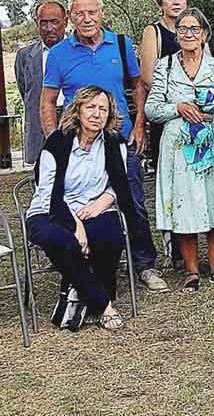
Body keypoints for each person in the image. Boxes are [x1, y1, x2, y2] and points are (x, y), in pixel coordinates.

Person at [40, 0, 168, 293]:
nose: (86, 19)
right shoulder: (58, 55)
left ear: (102, 12)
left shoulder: (121, 45)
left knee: (133, 202)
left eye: (92, 12)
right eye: (79, 13)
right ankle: (86, 262)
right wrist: (55, 143)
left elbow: (138, 86)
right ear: (70, 17)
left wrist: (139, 125)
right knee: (78, 204)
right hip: (78, 145)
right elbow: (47, 102)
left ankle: (145, 265)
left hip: (120, 141)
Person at [144, 8, 214, 291]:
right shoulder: (165, 67)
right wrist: (178, 108)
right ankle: (190, 270)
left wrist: (208, 117)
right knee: (185, 204)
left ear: (204, 34)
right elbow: (152, 108)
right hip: (179, 148)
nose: (188, 34)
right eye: (183, 29)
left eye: (194, 29)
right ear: (176, 35)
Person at [26, 86, 137, 331]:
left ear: (109, 115)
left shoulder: (113, 143)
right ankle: (103, 305)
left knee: (110, 235)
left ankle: (75, 291)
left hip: (91, 206)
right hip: (49, 210)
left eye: (103, 109)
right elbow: (51, 195)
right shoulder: (57, 142)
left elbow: (119, 185)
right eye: (91, 107)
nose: (97, 114)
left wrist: (104, 201)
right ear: (77, 111)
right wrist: (76, 226)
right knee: (65, 241)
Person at [139, 0, 190, 167]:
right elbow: (148, 78)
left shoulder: (195, 29)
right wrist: (179, 101)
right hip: (168, 115)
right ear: (161, 2)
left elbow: (209, 68)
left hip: (196, 113)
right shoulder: (153, 32)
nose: (176, 1)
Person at [16, 0, 66, 166]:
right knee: (42, 181)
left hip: (72, 122)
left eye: (54, 22)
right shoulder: (25, 56)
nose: (49, 28)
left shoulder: (79, 51)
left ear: (65, 22)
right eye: (43, 22)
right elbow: (25, 91)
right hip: (39, 125)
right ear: (37, 24)